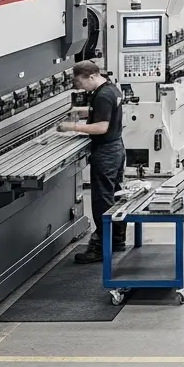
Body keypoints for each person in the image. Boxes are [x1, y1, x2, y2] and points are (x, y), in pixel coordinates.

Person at [58, 61, 126, 263]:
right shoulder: (110, 88)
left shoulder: (103, 95)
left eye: (80, 82)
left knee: (102, 201)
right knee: (115, 195)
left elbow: (101, 127)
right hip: (116, 148)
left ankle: (101, 249)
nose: (79, 87)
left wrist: (72, 127)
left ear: (91, 76)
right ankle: (117, 240)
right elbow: (102, 111)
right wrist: (80, 112)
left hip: (106, 153)